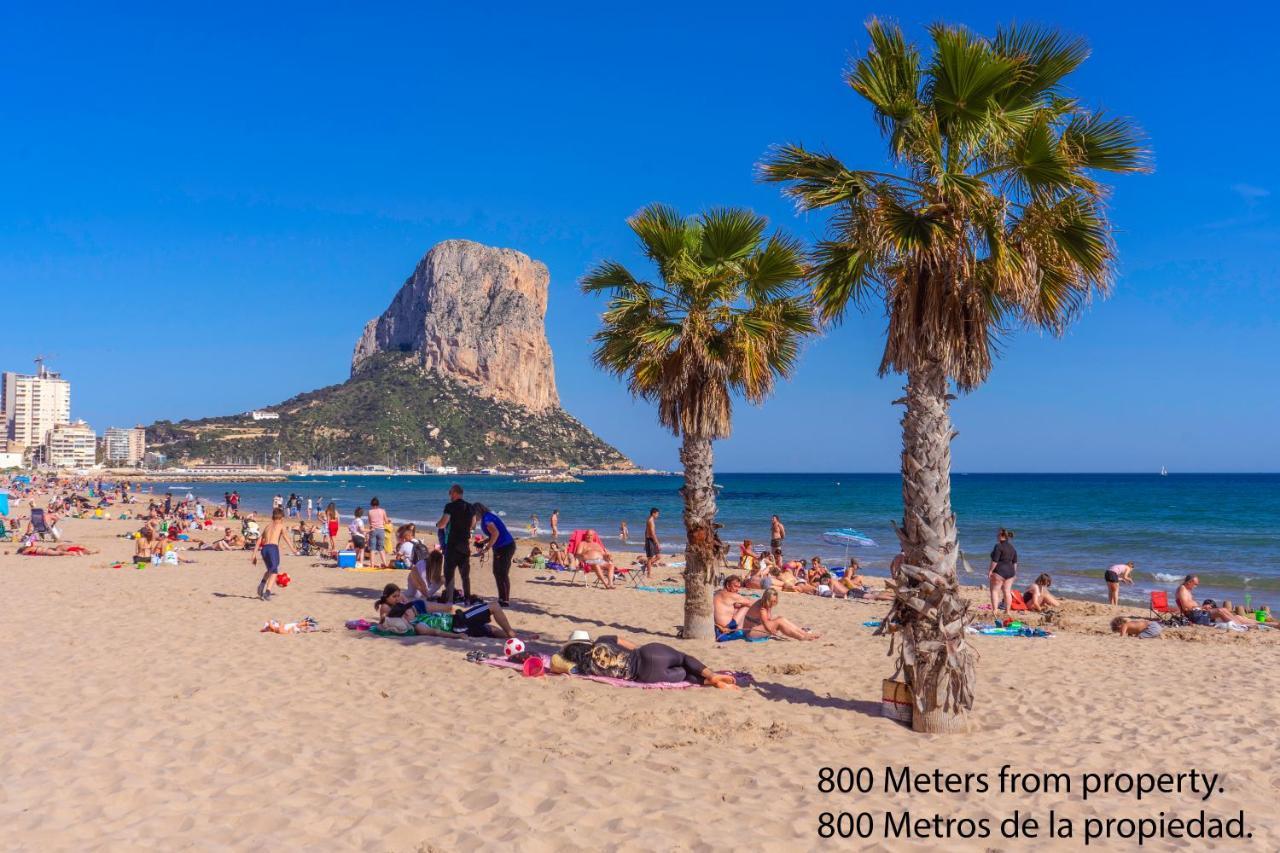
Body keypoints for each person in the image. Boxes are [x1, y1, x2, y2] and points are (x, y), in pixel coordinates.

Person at [552, 632, 738, 689]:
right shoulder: (602, 640)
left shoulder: (580, 668)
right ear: (587, 641)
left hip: (645, 675)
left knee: (685, 676)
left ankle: (709, 682)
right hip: (646, 654)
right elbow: (631, 645)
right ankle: (712, 675)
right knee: (683, 658)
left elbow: (554, 664)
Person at [373, 583, 528, 640]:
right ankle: (513, 634)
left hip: (459, 624)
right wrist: (457, 636)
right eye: (396, 597)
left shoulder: (418, 618)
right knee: (494, 606)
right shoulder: (418, 625)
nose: (400, 599)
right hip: (459, 622)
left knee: (490, 630)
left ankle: (514, 637)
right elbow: (436, 633)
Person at [472, 502, 517, 606]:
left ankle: (505, 600)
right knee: (497, 572)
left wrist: (487, 548)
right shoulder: (486, 518)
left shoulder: (487, 519)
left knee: (502, 573)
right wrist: (483, 542)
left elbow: (496, 533)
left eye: (473, 514)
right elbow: (494, 534)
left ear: (477, 512)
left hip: (506, 546)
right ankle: (501, 598)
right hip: (499, 547)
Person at [436, 484, 475, 603]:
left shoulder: (450, 506)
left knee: (449, 574)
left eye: (450, 493)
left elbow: (443, 523)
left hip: (452, 545)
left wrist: (438, 525)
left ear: (455, 493)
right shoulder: (470, 507)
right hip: (464, 545)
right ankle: (467, 598)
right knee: (465, 575)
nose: (449, 495)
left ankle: (450, 598)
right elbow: (473, 525)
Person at [253, 507, 298, 600]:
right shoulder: (281, 525)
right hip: (273, 548)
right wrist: (293, 549)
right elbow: (285, 537)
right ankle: (268, 592)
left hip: (264, 549)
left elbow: (259, 540)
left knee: (270, 569)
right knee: (274, 571)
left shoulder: (268, 526)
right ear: (281, 518)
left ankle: (261, 585)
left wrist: (254, 554)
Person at [741, 588, 821, 640]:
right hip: (750, 632)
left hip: (756, 628)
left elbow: (767, 621)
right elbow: (766, 624)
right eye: (772, 601)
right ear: (767, 600)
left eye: (775, 601)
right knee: (779, 622)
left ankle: (803, 633)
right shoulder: (762, 608)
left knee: (781, 619)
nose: (774, 603)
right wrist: (773, 631)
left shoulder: (766, 604)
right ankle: (801, 637)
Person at [988, 528, 1018, 613]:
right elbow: (1015, 562)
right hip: (1010, 572)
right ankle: (1007, 611)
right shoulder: (1012, 548)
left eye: (998, 535)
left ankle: (995, 610)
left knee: (994, 590)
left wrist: (990, 571)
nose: (996, 536)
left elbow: (995, 560)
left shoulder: (998, 546)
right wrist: (1014, 573)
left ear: (1002, 536)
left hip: (999, 571)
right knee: (1007, 592)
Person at [366, 497, 389, 568]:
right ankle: (385, 563)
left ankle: (372, 564)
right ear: (378, 504)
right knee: (381, 548)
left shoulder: (370, 512)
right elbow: (386, 521)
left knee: (372, 548)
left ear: (371, 504)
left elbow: (370, 522)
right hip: (381, 530)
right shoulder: (383, 511)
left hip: (373, 530)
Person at [643, 507, 660, 577]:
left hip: (650, 540)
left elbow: (645, 531)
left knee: (658, 556)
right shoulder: (650, 521)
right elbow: (652, 533)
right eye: (657, 514)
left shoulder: (650, 519)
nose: (658, 515)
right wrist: (657, 543)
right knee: (650, 558)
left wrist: (645, 541)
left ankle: (645, 566)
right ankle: (648, 575)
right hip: (650, 540)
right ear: (653, 513)